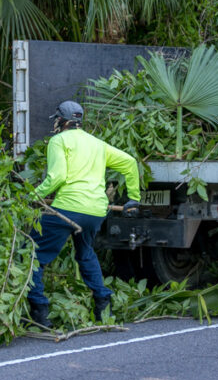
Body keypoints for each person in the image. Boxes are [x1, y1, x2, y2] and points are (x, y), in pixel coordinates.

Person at [28, 100, 141, 328]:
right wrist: (134, 198)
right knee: (86, 253)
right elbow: (129, 162)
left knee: (32, 253)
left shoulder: (58, 141)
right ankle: (102, 303)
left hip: (69, 208)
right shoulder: (97, 144)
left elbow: (57, 177)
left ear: (61, 120)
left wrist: (32, 195)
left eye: (57, 120)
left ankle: (39, 311)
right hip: (95, 212)